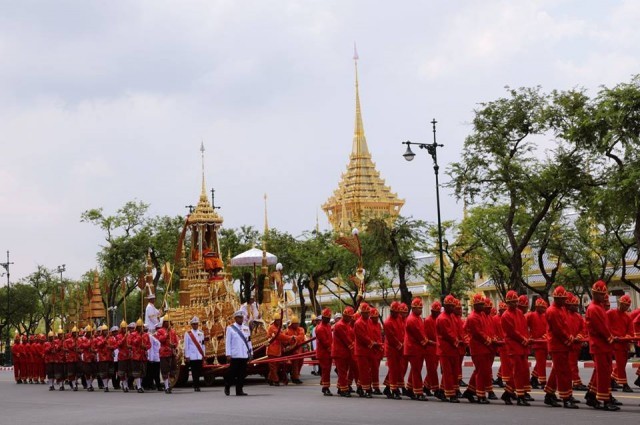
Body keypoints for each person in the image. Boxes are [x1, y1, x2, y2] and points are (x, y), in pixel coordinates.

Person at [585, 280, 619, 411]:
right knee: (604, 373)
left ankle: (591, 395)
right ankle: (605, 399)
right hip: (599, 345)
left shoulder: (599, 307)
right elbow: (601, 328)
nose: (603, 296)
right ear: (594, 294)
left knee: (601, 371)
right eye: (601, 294)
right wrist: (611, 338)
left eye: (604, 294)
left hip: (603, 345)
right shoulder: (594, 308)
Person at [544, 286, 578, 409]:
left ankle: (549, 393)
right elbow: (558, 330)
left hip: (562, 345)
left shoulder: (561, 308)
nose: (565, 301)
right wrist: (569, 339)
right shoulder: (552, 311)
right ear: (556, 298)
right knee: (563, 372)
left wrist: (570, 337)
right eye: (563, 298)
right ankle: (565, 397)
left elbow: (565, 326)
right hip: (557, 345)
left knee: (558, 371)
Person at [501, 290, 532, 406]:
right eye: (512, 302)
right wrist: (524, 339)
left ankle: (508, 393)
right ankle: (520, 396)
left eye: (515, 302)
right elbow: (512, 333)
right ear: (507, 303)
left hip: (522, 345)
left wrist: (527, 338)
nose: (514, 304)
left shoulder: (519, 313)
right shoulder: (505, 316)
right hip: (513, 346)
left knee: (523, 371)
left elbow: (524, 328)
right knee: (518, 371)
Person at [463, 293, 494, 404]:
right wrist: (490, 341)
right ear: (474, 305)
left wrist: (492, 339)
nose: (483, 306)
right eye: (480, 304)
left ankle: (470, 391)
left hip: (484, 347)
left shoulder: (482, 315)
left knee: (479, 370)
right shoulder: (473, 317)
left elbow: (486, 331)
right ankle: (481, 395)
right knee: (481, 372)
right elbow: (478, 334)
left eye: (483, 304)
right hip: (478, 348)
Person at [437, 295, 462, 403]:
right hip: (446, 349)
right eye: (450, 306)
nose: (453, 308)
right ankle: (450, 394)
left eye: (453, 306)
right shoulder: (442, 318)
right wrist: (458, 341)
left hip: (453, 349)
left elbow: (455, 331)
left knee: (453, 371)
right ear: (445, 306)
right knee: (448, 373)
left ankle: (444, 391)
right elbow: (448, 334)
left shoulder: (451, 316)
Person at [607, 294, 633, 392]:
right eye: (624, 305)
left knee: (622, 364)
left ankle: (612, 379)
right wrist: (611, 336)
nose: (626, 307)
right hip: (613, 343)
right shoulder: (610, 313)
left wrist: (626, 338)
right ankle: (624, 384)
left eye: (627, 305)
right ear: (619, 303)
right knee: (620, 364)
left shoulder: (628, 317)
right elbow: (604, 326)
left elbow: (630, 332)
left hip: (623, 344)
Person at [404, 298, 428, 400]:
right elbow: (418, 335)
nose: (421, 310)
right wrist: (427, 342)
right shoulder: (411, 320)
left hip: (418, 348)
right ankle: (418, 392)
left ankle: (410, 389)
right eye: (419, 308)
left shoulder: (417, 318)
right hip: (413, 348)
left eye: (421, 308)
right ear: (413, 309)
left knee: (415, 369)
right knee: (416, 370)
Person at [224, 310, 252, 396]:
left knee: (242, 374)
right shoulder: (230, 328)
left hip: (244, 354)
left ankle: (239, 390)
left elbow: (249, 341)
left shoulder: (246, 328)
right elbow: (228, 342)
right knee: (232, 373)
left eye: (242, 317)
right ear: (235, 318)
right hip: (235, 354)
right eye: (239, 318)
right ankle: (227, 385)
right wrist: (228, 354)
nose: (241, 319)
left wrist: (251, 353)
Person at [353, 303, 378, 398]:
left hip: (368, 349)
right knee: (364, 371)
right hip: (361, 351)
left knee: (368, 370)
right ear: (362, 313)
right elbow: (362, 337)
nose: (368, 314)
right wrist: (372, 343)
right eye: (366, 313)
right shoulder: (358, 323)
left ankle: (360, 387)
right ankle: (367, 389)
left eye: (368, 313)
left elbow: (371, 334)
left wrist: (374, 343)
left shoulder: (369, 321)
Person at [266, 313, 295, 386]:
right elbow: (280, 336)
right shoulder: (272, 327)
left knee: (276, 366)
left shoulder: (279, 328)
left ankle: (270, 379)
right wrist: (290, 338)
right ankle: (276, 380)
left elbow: (283, 337)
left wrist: (289, 342)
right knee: (273, 366)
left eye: (279, 320)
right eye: (277, 320)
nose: (279, 322)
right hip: (272, 350)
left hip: (278, 350)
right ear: (275, 321)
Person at [332, 306, 355, 397]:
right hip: (340, 352)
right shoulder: (340, 325)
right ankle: (344, 390)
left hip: (345, 352)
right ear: (344, 316)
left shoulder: (346, 324)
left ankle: (340, 387)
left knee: (344, 371)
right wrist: (353, 346)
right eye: (349, 317)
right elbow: (346, 339)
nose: (350, 318)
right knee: (342, 372)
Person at [382, 302, 403, 399]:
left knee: (396, 369)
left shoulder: (398, 318)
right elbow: (391, 338)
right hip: (392, 349)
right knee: (393, 369)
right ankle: (394, 389)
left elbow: (401, 331)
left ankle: (387, 387)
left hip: (399, 348)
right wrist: (400, 345)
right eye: (396, 312)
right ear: (391, 311)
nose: (397, 314)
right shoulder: (387, 322)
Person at [526, 298, 548, 390]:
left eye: (544, 307)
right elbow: (523, 324)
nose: (543, 309)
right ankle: (543, 382)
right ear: (537, 307)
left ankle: (534, 378)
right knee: (541, 363)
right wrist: (528, 336)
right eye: (542, 307)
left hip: (544, 342)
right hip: (537, 343)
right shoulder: (531, 315)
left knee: (540, 362)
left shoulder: (545, 316)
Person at [156, 314, 179, 394]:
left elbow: (176, 340)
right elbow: (160, 340)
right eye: (167, 322)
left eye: (169, 322)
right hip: (164, 353)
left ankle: (169, 383)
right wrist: (166, 334)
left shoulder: (173, 331)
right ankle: (166, 386)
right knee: (165, 370)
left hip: (172, 352)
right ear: (164, 322)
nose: (168, 323)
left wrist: (175, 345)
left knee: (173, 369)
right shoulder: (160, 331)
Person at [423, 301, 440, 398]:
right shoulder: (429, 320)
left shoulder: (437, 319)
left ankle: (426, 386)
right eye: (435, 311)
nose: (437, 313)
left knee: (433, 369)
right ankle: (435, 388)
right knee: (432, 369)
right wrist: (433, 342)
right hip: (430, 347)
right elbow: (428, 335)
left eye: (438, 311)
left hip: (436, 347)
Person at [183, 316, 206, 392]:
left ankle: (197, 384)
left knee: (199, 371)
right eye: (194, 324)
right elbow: (186, 345)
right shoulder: (188, 333)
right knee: (194, 371)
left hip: (199, 355)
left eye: (196, 324)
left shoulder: (201, 333)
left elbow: (203, 344)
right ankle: (196, 385)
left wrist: (203, 354)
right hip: (192, 355)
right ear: (191, 325)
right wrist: (187, 356)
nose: (195, 325)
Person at [315, 308, 333, 396]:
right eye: (327, 318)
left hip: (328, 351)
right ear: (323, 318)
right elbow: (325, 342)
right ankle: (325, 388)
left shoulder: (328, 326)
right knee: (326, 370)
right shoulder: (320, 328)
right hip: (323, 353)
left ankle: (324, 383)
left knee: (327, 370)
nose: (328, 320)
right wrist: (331, 350)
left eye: (329, 318)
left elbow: (330, 339)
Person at [116, 320, 131, 392]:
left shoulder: (129, 335)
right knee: (122, 372)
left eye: (126, 328)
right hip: (122, 356)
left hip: (129, 355)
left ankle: (126, 384)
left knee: (128, 372)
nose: (125, 330)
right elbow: (119, 344)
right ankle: (124, 384)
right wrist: (124, 337)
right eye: (124, 328)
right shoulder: (118, 336)